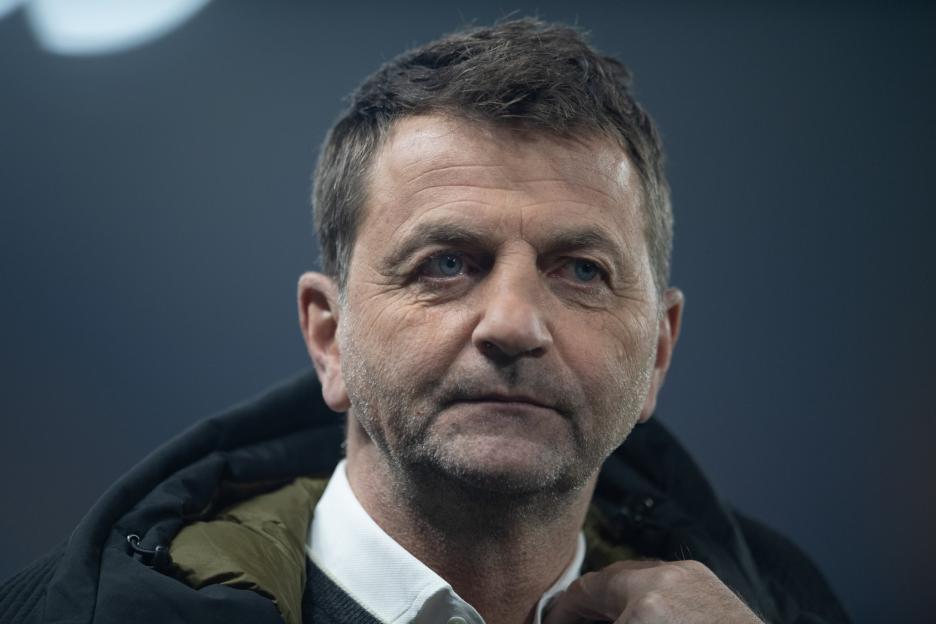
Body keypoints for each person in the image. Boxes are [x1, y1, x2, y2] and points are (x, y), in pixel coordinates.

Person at [0, 18, 848, 624]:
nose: (513, 324)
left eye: (581, 271)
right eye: (446, 263)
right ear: (329, 337)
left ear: (658, 355)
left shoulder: (782, 608)